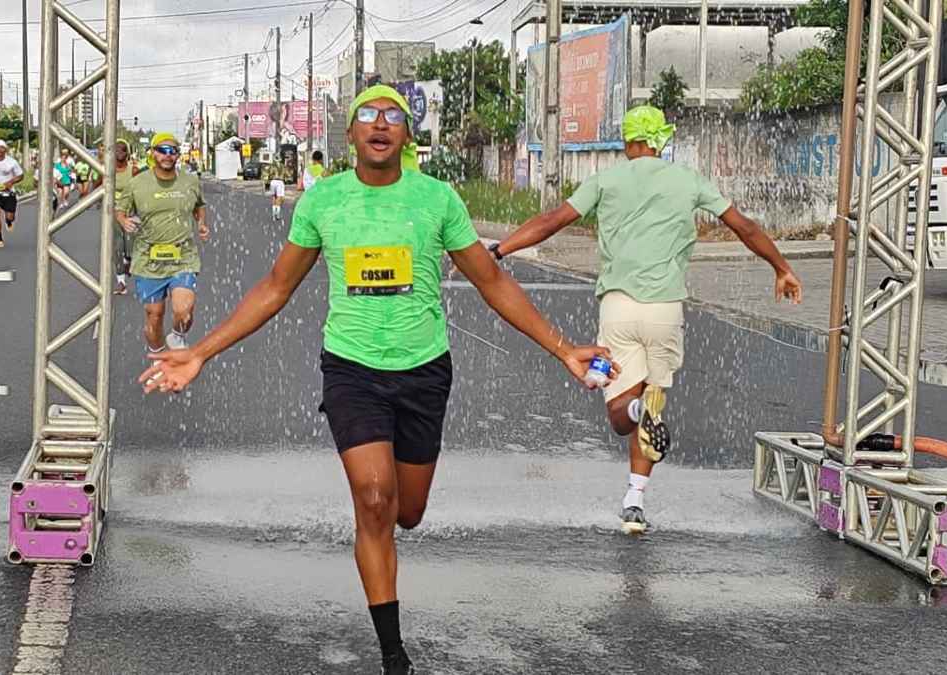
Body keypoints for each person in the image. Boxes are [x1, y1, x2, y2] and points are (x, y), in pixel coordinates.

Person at [137, 85, 614, 675]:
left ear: (407, 134)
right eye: (368, 115)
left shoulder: (437, 200)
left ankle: (389, 541)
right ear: (352, 133)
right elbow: (275, 288)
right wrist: (202, 351)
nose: (381, 124)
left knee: (406, 512)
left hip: (423, 372)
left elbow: (492, 282)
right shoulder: (324, 201)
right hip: (351, 370)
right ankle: (394, 655)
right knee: (372, 499)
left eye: (394, 116)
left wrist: (563, 349)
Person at [494, 105, 803, 535]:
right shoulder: (688, 180)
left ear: (626, 142)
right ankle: (634, 500)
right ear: (662, 141)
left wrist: (499, 250)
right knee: (653, 401)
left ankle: (638, 412)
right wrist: (781, 267)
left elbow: (552, 221)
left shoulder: (606, 179)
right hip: (665, 310)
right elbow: (744, 226)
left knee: (621, 415)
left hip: (618, 308)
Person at [115, 132, 209, 352]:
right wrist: (123, 220)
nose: (168, 155)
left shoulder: (190, 180)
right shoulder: (137, 183)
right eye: (162, 150)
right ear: (153, 153)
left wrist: (202, 223)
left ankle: (177, 336)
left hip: (183, 256)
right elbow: (120, 209)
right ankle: (158, 357)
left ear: (178, 155)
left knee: (184, 310)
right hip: (149, 259)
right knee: (155, 316)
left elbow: (199, 205)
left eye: (173, 151)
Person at [111, 140, 140, 295]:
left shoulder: (133, 170)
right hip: (114, 212)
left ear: (127, 153)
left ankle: (128, 263)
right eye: (116, 150)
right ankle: (121, 282)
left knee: (130, 248)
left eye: (122, 150)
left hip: (130, 213)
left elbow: (141, 190)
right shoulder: (109, 170)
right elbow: (98, 185)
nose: (119, 153)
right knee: (117, 247)